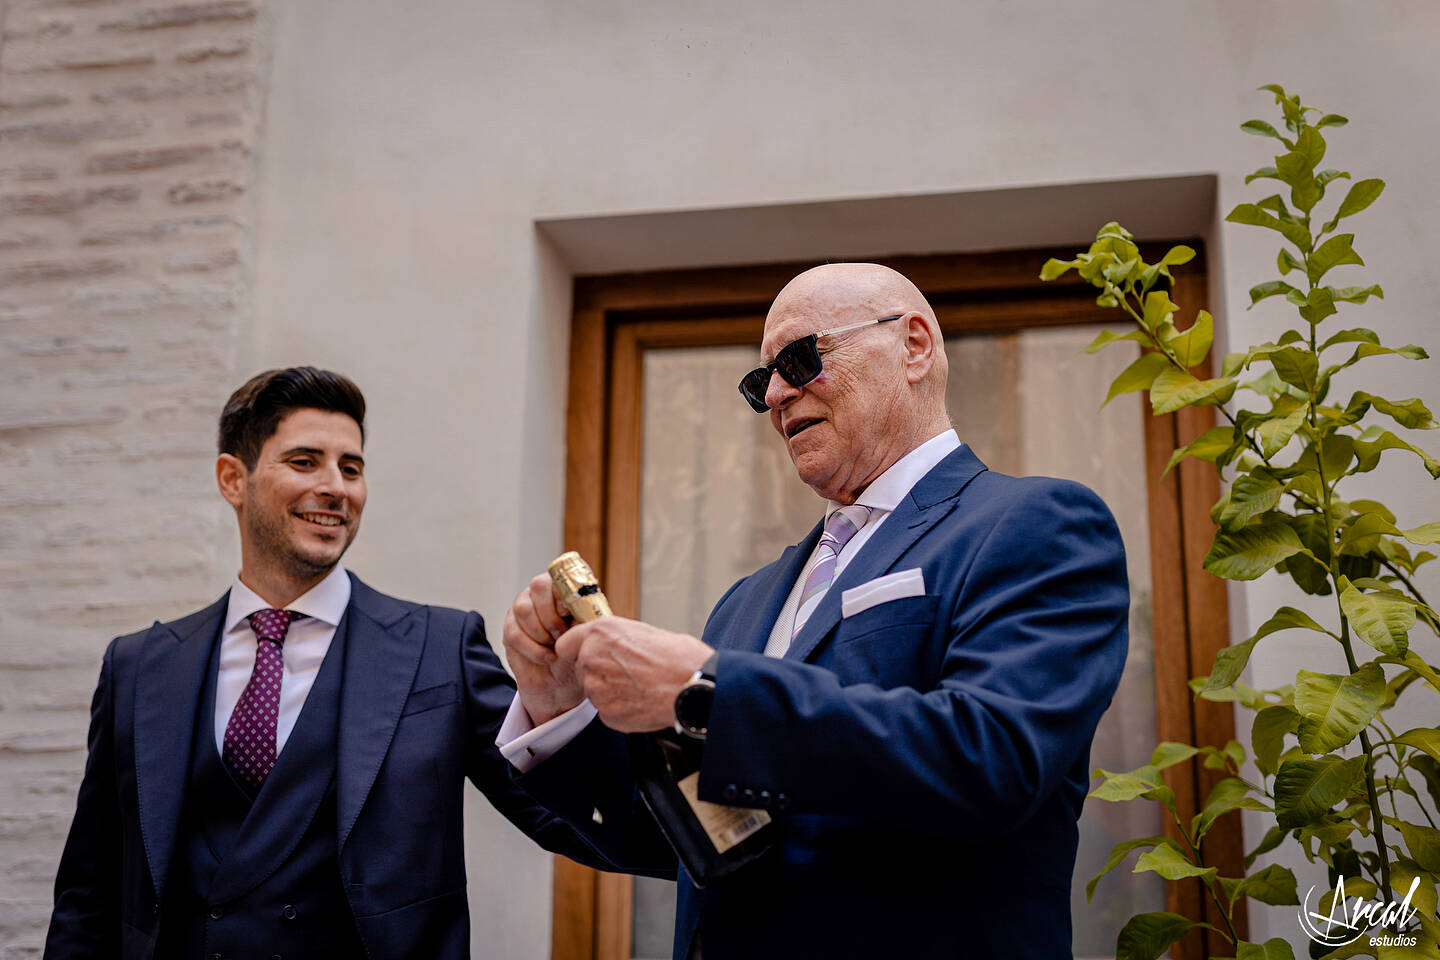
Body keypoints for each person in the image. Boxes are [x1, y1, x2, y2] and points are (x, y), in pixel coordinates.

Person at [500, 263, 1132, 959]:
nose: (774, 395)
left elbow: (990, 760)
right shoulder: (745, 604)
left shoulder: (1035, 523)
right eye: (759, 381)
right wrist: (560, 711)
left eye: (800, 360)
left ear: (914, 345)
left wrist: (708, 694)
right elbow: (700, 838)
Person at [44, 366, 627, 960]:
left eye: (351, 468)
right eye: (304, 462)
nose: (336, 488)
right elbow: (89, 895)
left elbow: (580, 824)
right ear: (232, 479)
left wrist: (562, 710)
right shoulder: (138, 667)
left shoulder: (440, 648)